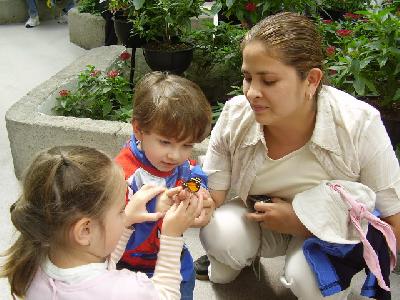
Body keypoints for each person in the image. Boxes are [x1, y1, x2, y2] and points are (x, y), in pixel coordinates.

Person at [194, 12, 400, 300]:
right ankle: (230, 261)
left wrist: (302, 222)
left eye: (268, 80)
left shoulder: (359, 124)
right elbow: (210, 191)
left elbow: (392, 222)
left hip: (327, 233)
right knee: (221, 234)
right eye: (247, 77)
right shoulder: (235, 115)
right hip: (258, 220)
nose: (252, 92)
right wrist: (193, 200)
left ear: (311, 80)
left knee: (307, 279)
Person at [0, 145, 200, 299]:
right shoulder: (127, 291)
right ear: (85, 230)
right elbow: (165, 294)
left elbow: (97, 263)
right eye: (121, 209)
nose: (125, 212)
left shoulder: (34, 263)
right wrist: (171, 236)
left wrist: (127, 219)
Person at [114, 71, 214, 300]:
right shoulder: (119, 174)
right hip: (129, 267)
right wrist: (153, 208)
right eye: (165, 142)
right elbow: (111, 225)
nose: (175, 155)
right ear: (138, 129)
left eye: (187, 145)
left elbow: (195, 173)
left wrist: (198, 195)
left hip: (175, 257)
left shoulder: (182, 165)